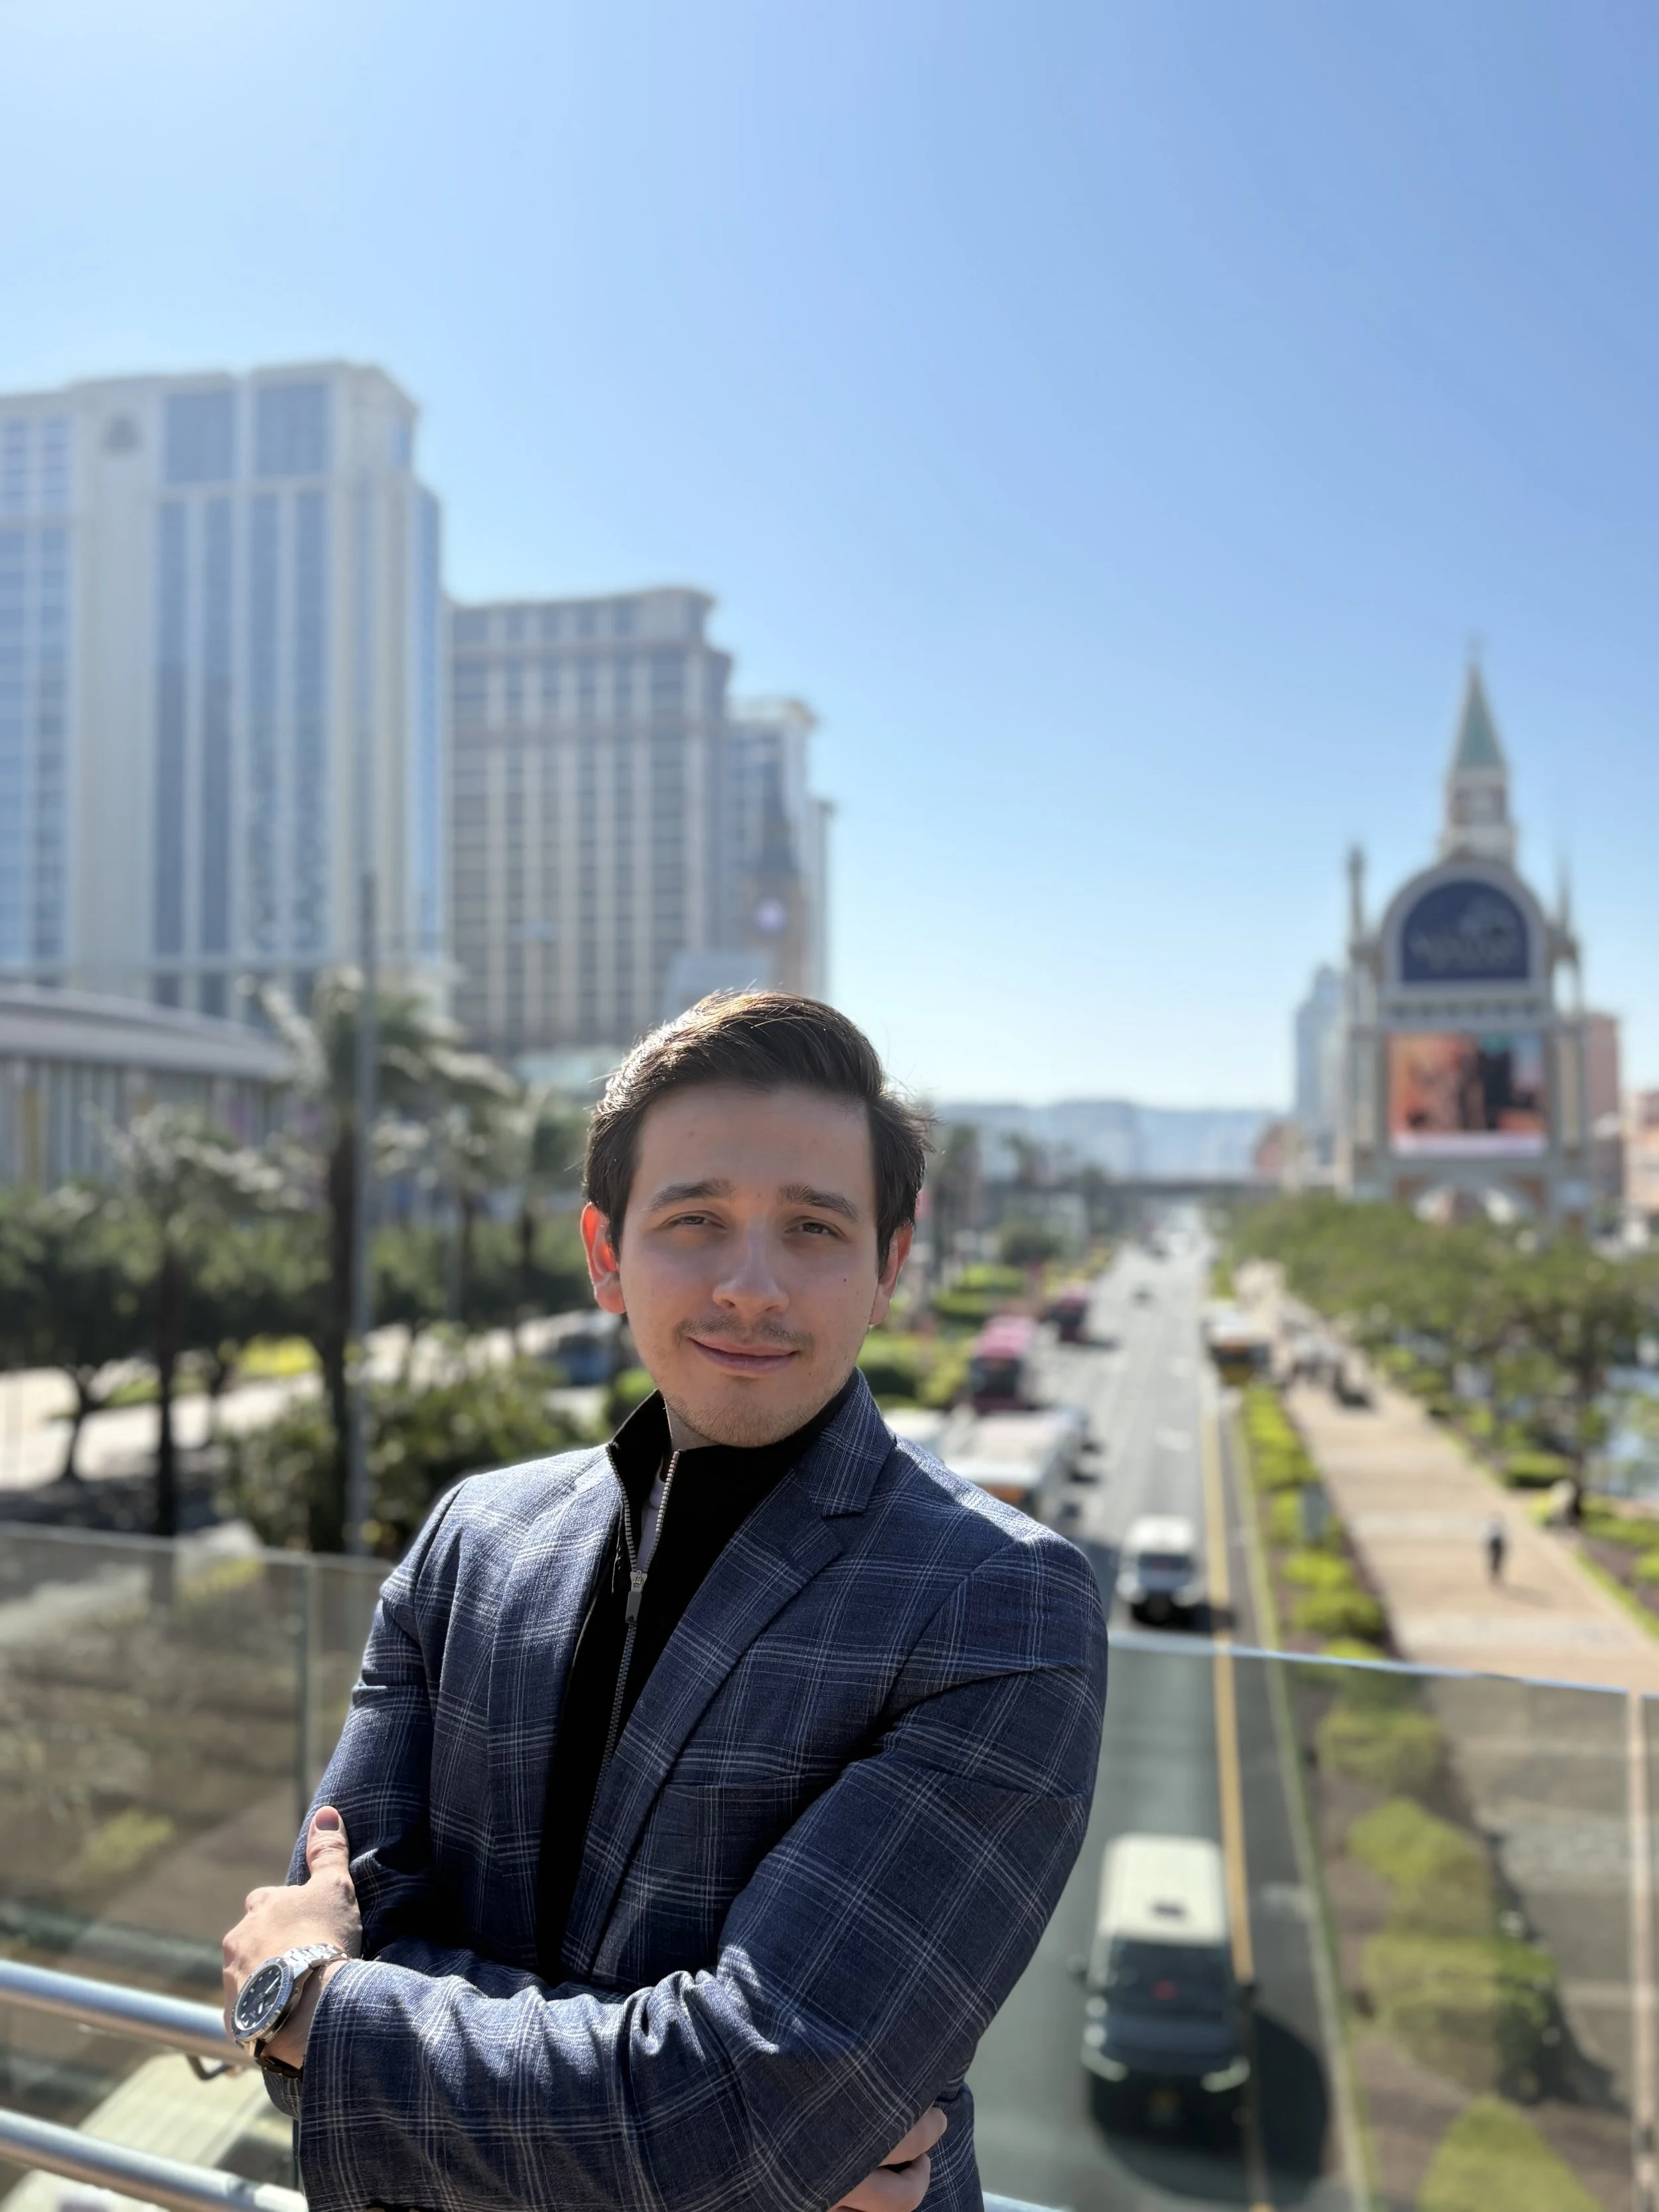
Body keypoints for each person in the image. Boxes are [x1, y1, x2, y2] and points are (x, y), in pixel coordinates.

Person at [221, 993, 1108, 2212]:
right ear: (605, 1252)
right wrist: (742, 2123)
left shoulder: (999, 1603)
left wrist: (327, 2006)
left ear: (891, 1264)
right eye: (696, 1219)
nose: (752, 1283)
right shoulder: (470, 1539)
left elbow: (733, 2110)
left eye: (813, 1226)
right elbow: (736, 2127)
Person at [1485, 1512, 1507, 1583]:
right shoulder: (1498, 1527)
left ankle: (1495, 1575)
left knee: (1495, 1561)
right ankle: (1495, 1575)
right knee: (1496, 1561)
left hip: (1496, 1544)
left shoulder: (1491, 1526)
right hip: (1496, 1543)